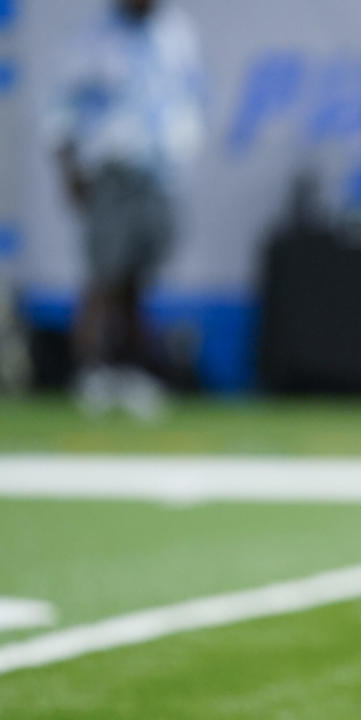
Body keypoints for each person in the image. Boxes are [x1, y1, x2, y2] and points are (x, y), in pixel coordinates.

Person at [47, 0, 204, 418]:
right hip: (111, 168)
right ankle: (88, 369)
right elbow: (65, 104)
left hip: (158, 173)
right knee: (104, 271)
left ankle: (127, 370)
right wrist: (70, 168)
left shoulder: (176, 32)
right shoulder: (96, 36)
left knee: (137, 275)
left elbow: (188, 97)